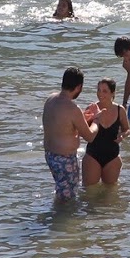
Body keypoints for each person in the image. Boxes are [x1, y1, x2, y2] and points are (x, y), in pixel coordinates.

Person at [43, 67, 99, 203]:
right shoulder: (73, 109)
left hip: (50, 155)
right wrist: (97, 120)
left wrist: (82, 120)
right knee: (68, 199)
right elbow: (90, 136)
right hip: (64, 159)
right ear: (79, 87)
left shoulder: (50, 99)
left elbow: (61, 126)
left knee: (61, 190)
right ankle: (62, 222)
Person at [82, 78, 129, 187]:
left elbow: (127, 129)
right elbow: (83, 131)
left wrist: (122, 135)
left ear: (112, 93)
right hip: (93, 155)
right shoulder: (92, 108)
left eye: (104, 91)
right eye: (98, 90)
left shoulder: (119, 110)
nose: (100, 94)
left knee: (110, 193)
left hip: (112, 156)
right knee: (89, 192)